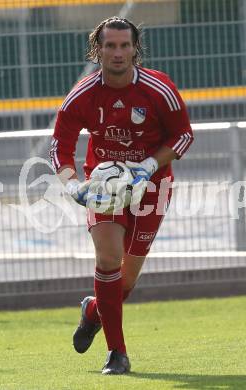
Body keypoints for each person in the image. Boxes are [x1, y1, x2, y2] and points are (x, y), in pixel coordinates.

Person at [50, 16, 193, 375]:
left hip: (153, 188)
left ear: (135, 49)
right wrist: (71, 186)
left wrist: (148, 164)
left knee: (124, 283)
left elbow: (183, 136)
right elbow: (60, 148)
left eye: (124, 45)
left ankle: (92, 311)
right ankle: (117, 354)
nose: (117, 53)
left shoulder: (158, 89)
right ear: (97, 50)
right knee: (109, 258)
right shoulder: (82, 95)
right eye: (110, 46)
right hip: (103, 189)